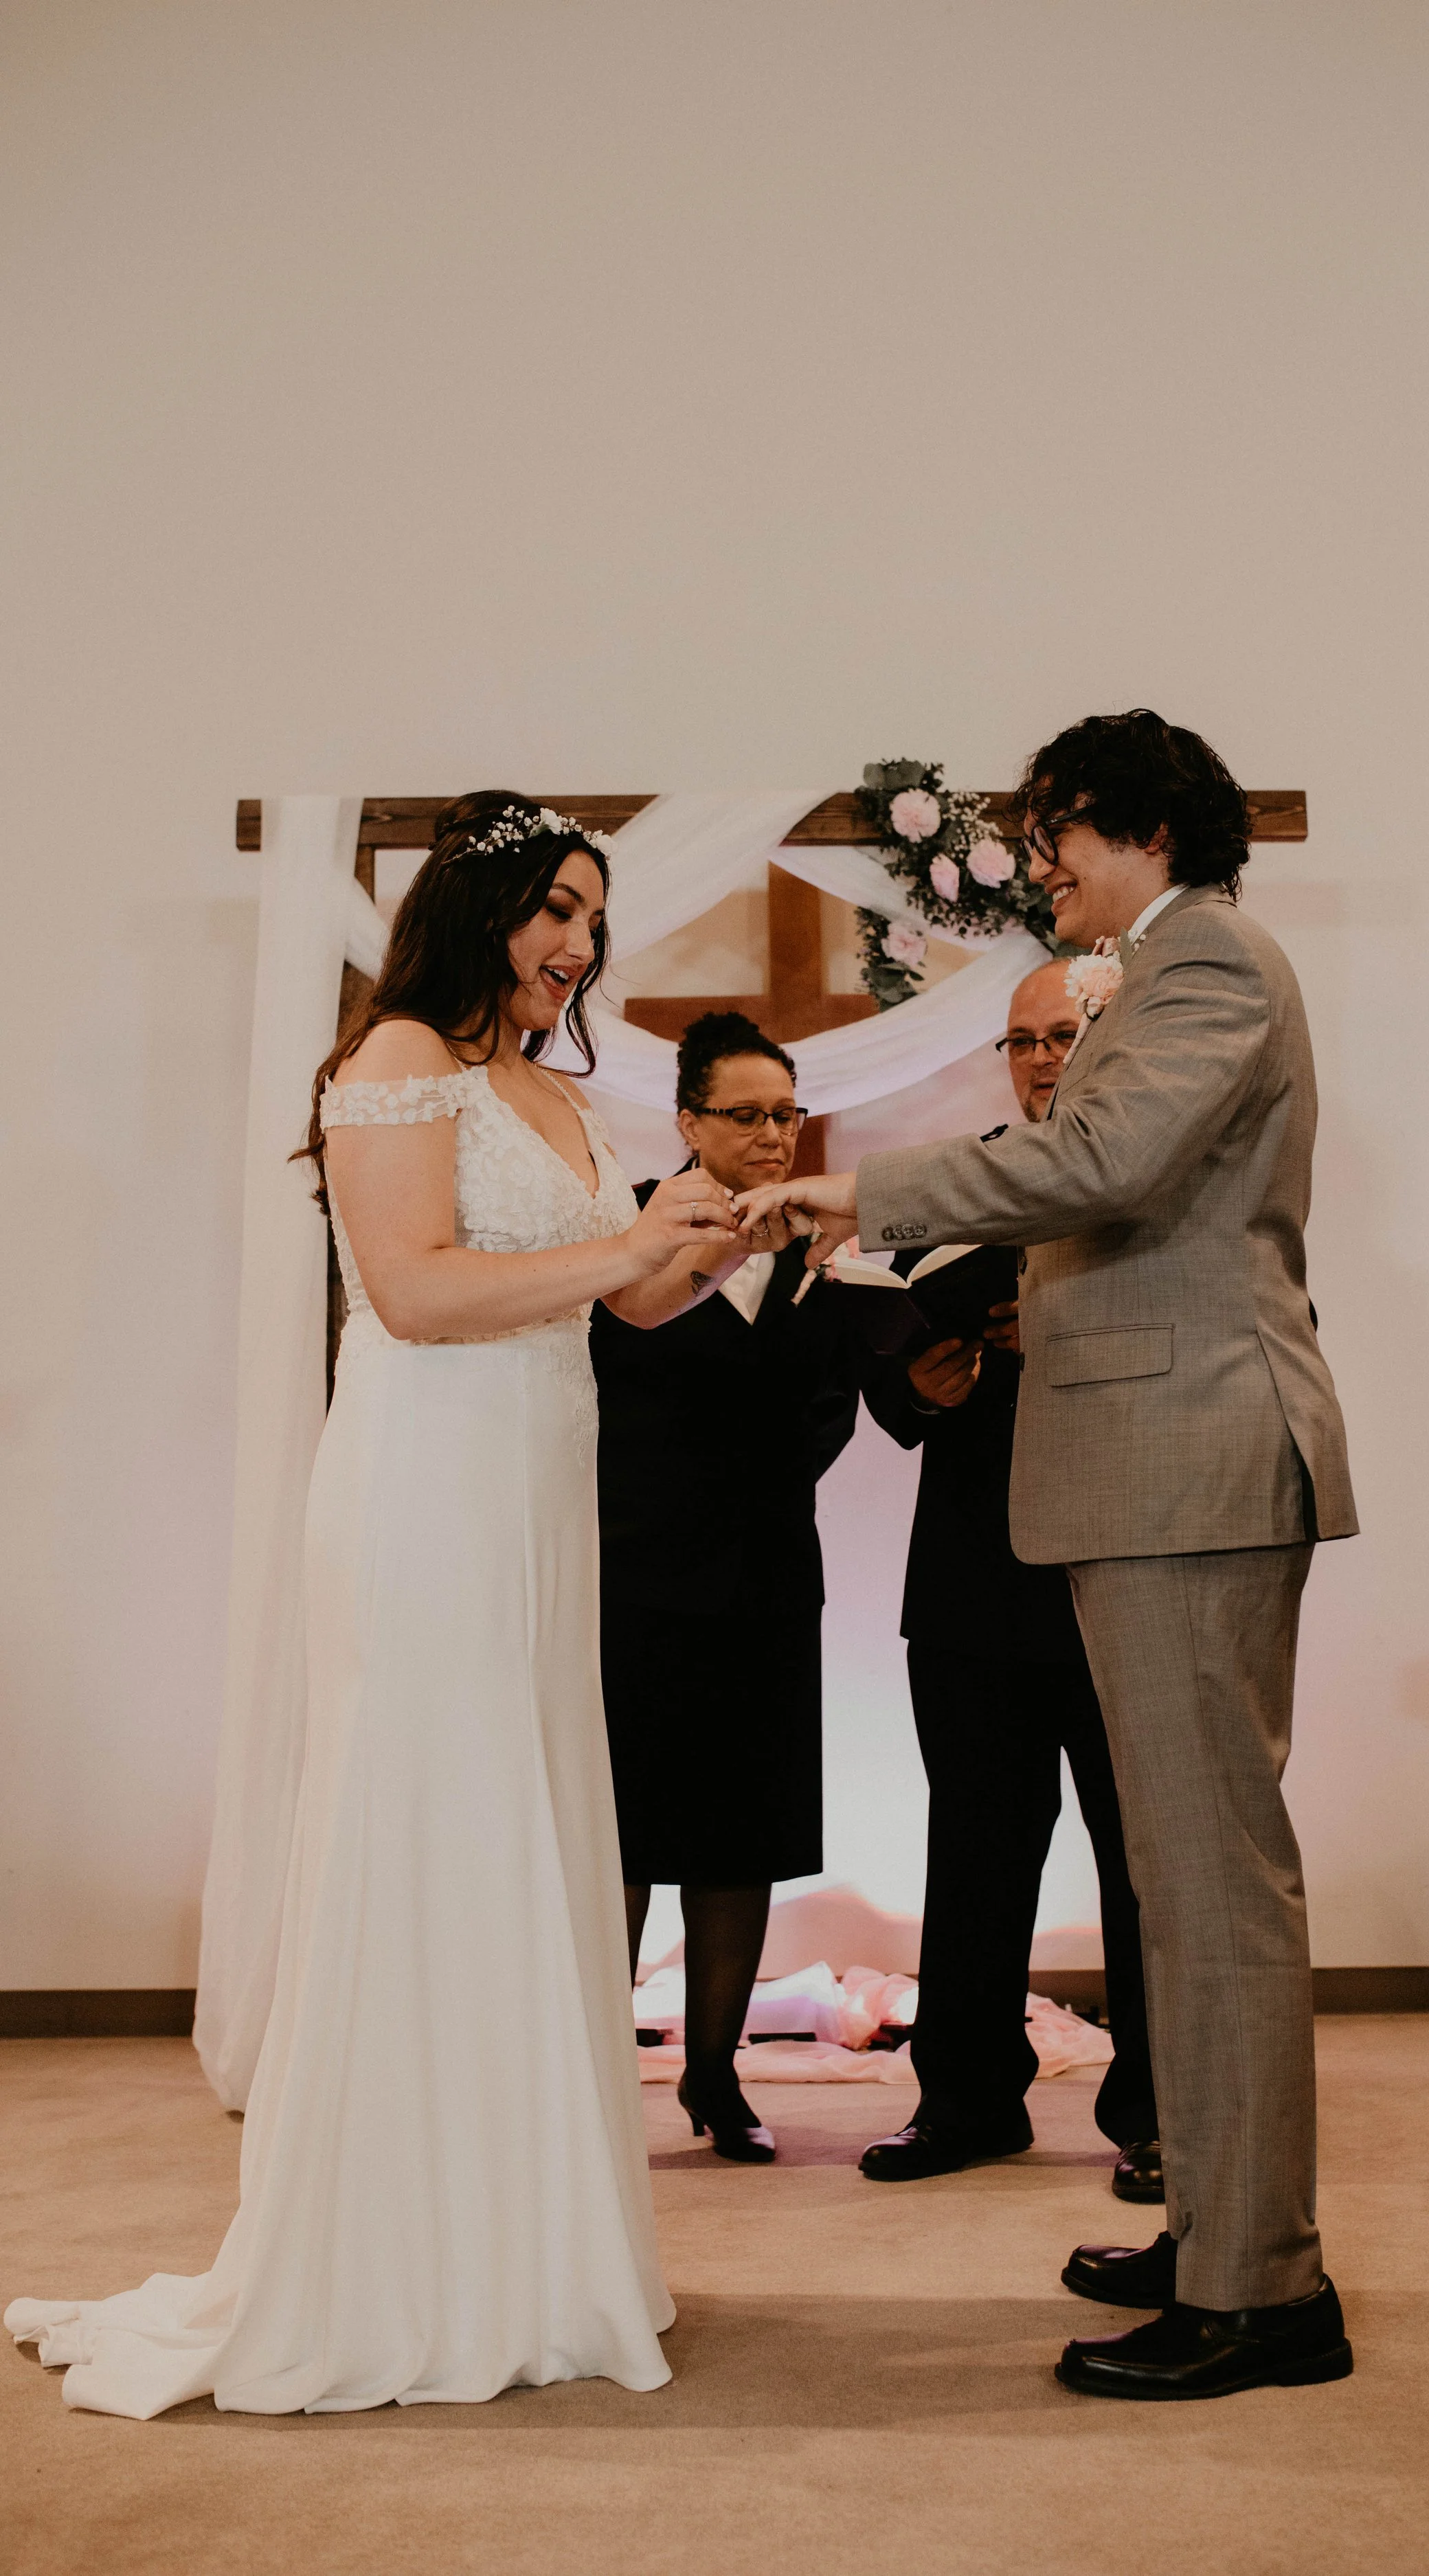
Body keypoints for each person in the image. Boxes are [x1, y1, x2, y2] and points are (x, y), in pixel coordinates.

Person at [5, 791, 761, 2417]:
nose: (573, 941)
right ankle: (401, 2255)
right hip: (428, 1491)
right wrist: (624, 1244)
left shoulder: (543, 1090)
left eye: (588, 914)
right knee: (438, 1823)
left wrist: (704, 1237)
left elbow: (618, 1298)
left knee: (532, 1825)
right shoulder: (396, 1062)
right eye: (551, 907)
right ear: (478, 908)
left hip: (538, 1494)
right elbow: (414, 1294)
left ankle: (536, 2242)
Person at [734, 710, 1360, 2404]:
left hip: (1190, 1467)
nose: (1043, 865)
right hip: (1154, 1470)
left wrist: (851, 1193)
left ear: (1144, 827)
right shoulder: (1165, 967)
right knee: (1180, 1882)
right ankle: (1223, 2232)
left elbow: (1104, 1161)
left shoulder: (1206, 958)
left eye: (1061, 832)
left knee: (1212, 1894)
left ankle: (1262, 2294)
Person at [854, 958, 1161, 2197]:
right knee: (973, 1851)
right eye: (1023, 1041)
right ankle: (968, 2099)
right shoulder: (968, 1179)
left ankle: (1157, 2112)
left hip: (1121, 1571)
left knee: (1145, 1856)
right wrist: (909, 1384)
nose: (1041, 1060)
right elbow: (881, 1337)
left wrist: (1077, 1330)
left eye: (1066, 1035)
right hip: (978, 1577)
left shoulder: (1160, 1180)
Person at [590, 1013, 858, 2165]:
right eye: (743, 1115)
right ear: (689, 1121)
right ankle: (595, 2075)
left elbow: (827, 1410)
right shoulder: (628, 1227)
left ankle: (715, 2071)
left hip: (764, 1575)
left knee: (741, 1838)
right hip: (637, 1571)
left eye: (784, 1115)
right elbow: (596, 1384)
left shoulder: (818, 1247)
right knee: (626, 1837)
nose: (768, 1136)